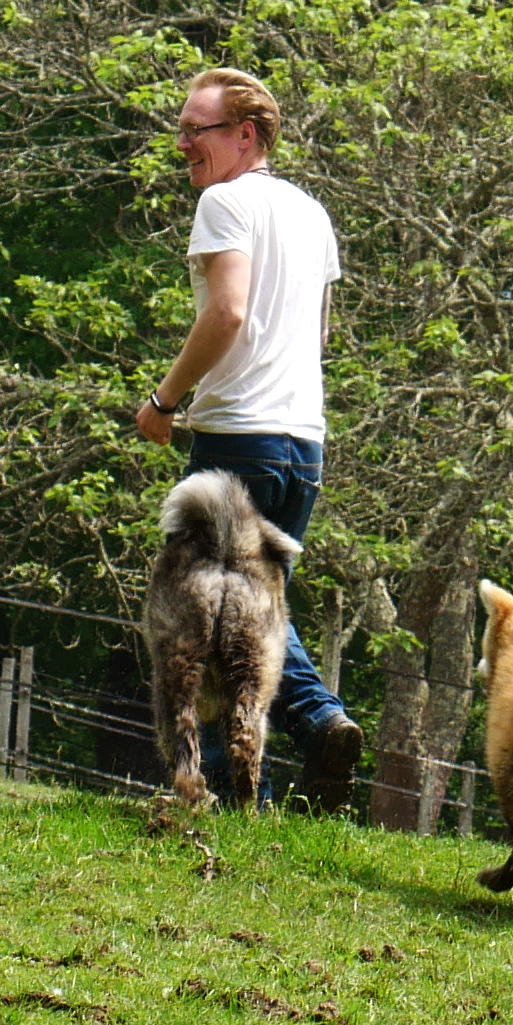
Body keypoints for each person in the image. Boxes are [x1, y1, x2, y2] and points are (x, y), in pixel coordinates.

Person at [132, 67, 364, 809]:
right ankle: (253, 787)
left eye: (195, 130)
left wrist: (165, 399)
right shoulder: (314, 214)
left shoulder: (224, 202)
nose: (183, 145)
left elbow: (226, 312)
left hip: (237, 437)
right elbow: (322, 333)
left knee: (214, 612)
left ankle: (310, 720)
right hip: (305, 445)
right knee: (260, 605)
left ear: (246, 134)